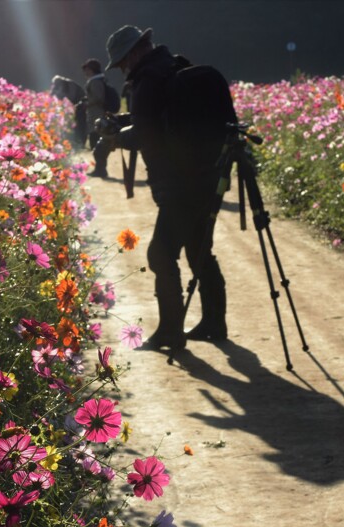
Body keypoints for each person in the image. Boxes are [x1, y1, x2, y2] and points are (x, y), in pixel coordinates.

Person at [104, 25, 231, 350]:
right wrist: (125, 122)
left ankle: (171, 332)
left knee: (160, 254)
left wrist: (117, 137)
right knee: (198, 249)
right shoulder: (174, 67)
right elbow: (158, 118)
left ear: (134, 52)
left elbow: (148, 134)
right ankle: (214, 324)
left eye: (121, 63)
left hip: (178, 185)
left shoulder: (148, 80)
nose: (123, 69)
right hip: (206, 177)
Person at [82, 59, 113, 178]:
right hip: (96, 115)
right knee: (97, 144)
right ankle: (100, 169)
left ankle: (100, 170)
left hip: (97, 116)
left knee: (97, 144)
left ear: (91, 70)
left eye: (87, 70)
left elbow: (98, 98)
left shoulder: (95, 82)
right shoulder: (98, 80)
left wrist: (87, 103)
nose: (85, 73)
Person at [50, 75, 87, 148]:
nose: (56, 85)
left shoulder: (70, 84)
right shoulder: (61, 85)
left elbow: (72, 97)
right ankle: (76, 142)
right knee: (75, 125)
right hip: (74, 107)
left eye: (57, 84)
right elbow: (52, 95)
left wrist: (61, 96)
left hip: (81, 105)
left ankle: (81, 142)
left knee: (80, 124)